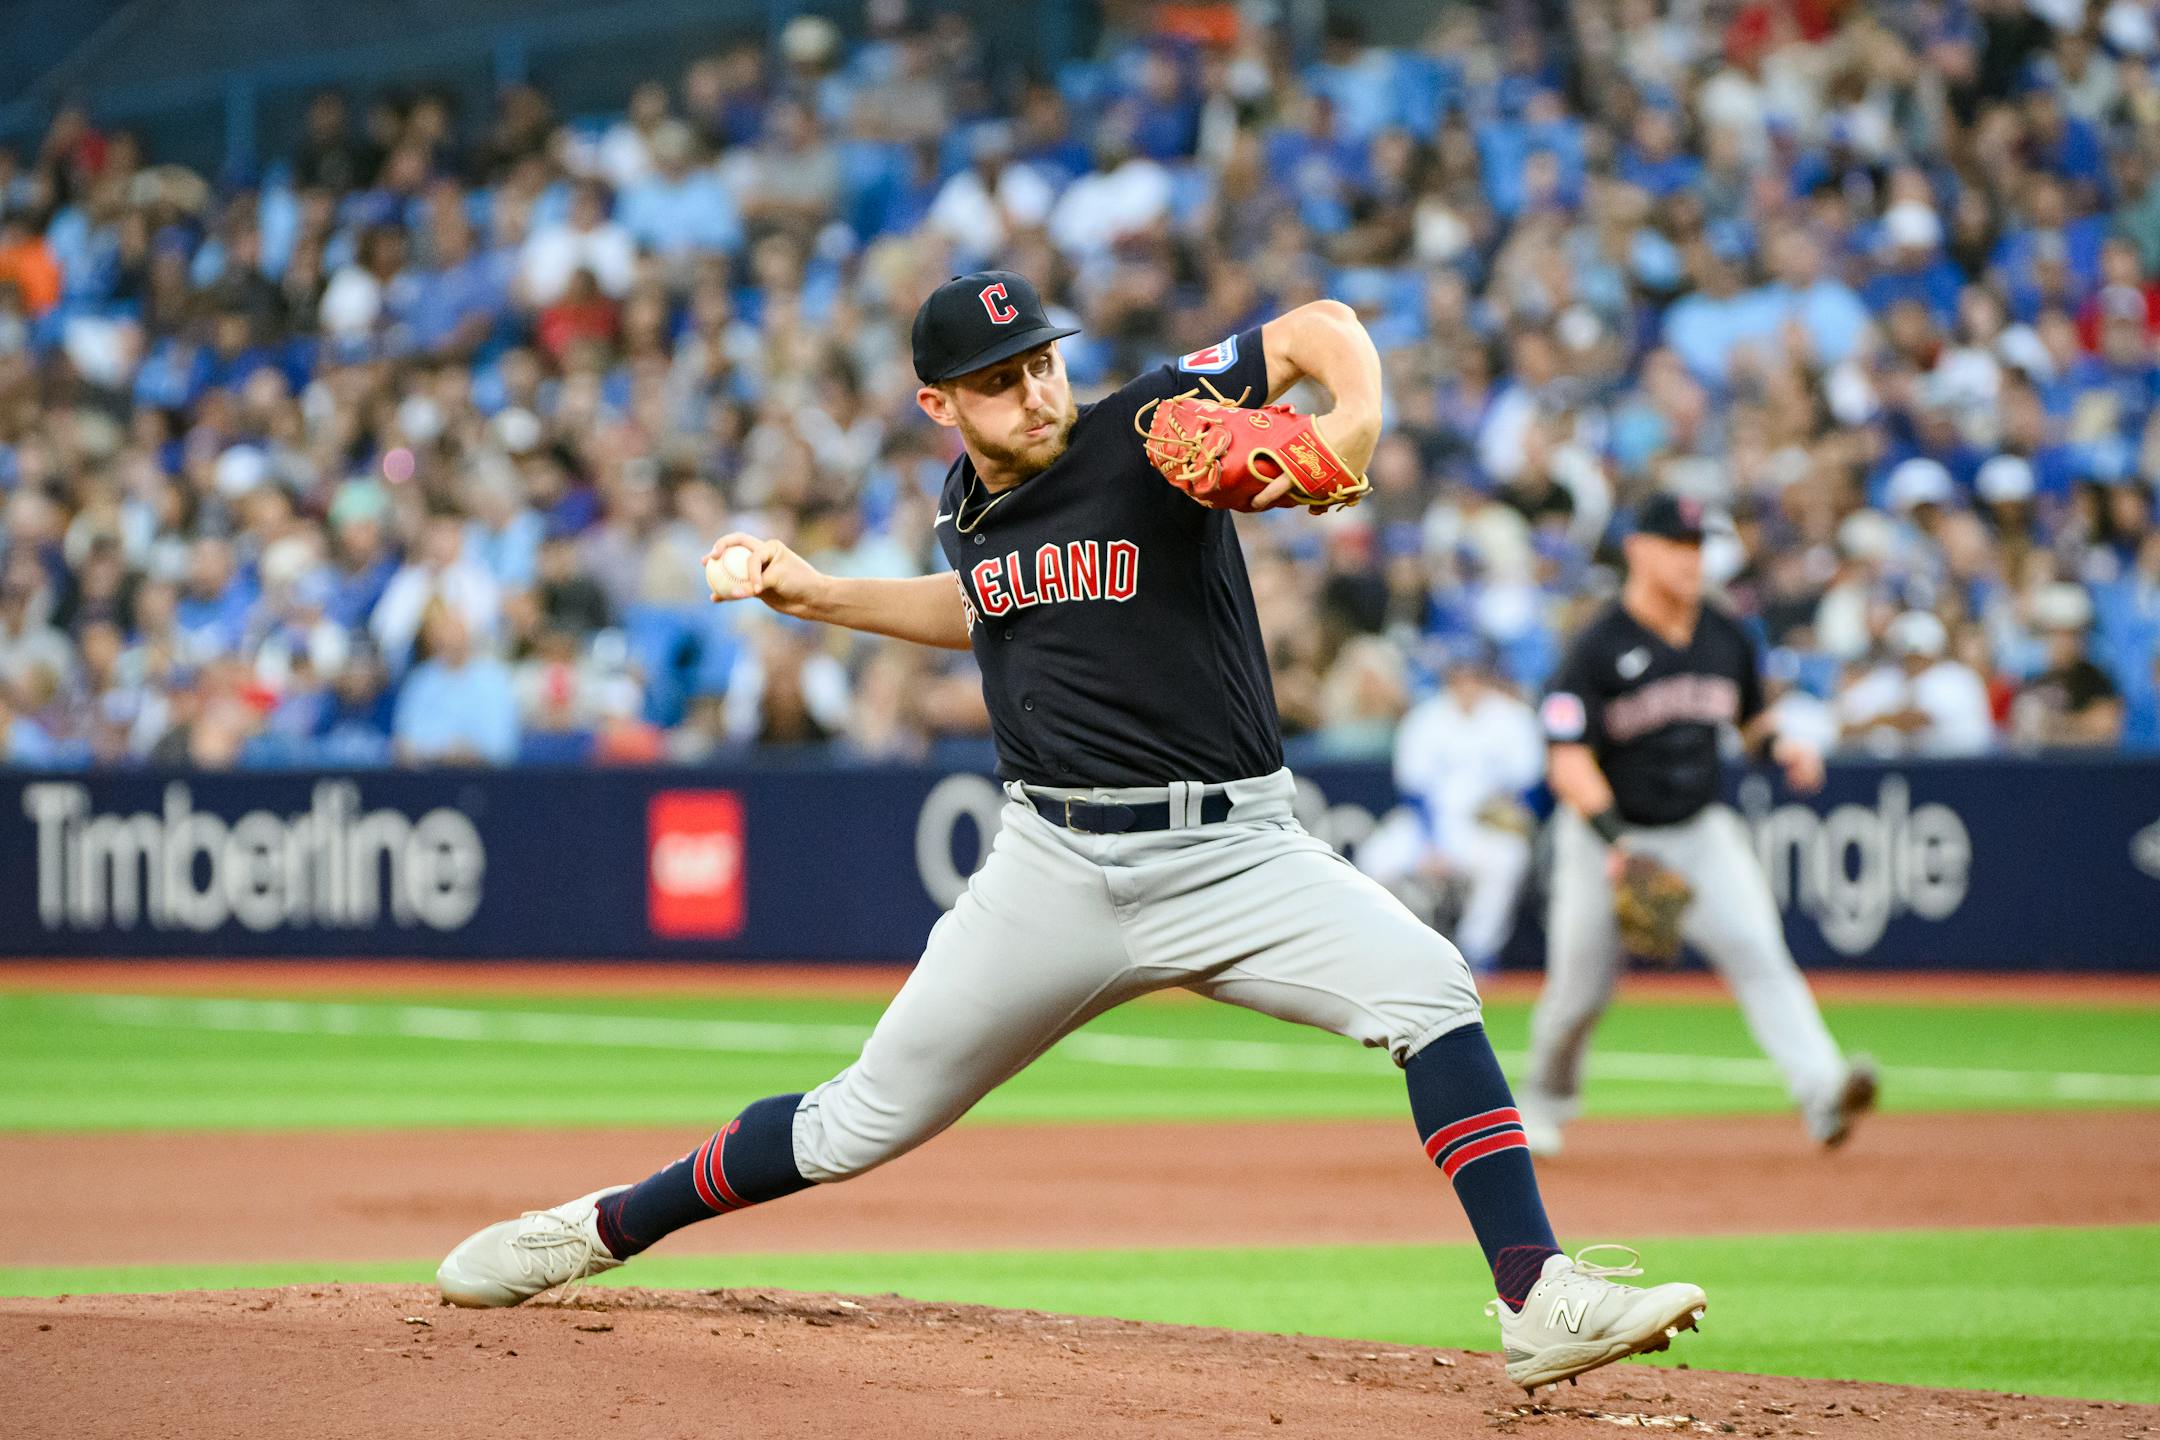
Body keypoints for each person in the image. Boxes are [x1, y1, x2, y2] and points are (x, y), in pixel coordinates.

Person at [437, 271, 1708, 1393]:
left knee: (1430, 986)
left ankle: (1534, 1295)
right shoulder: (968, 505)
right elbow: (992, 606)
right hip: (1051, 865)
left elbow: (1322, 325)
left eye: (1042, 362)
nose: (1036, 395)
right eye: (999, 382)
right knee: (849, 1126)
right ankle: (597, 1228)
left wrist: (1352, 421)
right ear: (940, 405)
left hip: (1233, 853)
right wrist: (814, 591)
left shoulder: (1147, 425)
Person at [1525, 494, 1878, 1157]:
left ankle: (1824, 1091)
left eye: (1698, 545)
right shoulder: (1597, 647)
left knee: (1758, 952)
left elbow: (1750, 721)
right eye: (1677, 545)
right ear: (1639, 550)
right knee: (1577, 993)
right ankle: (1542, 1104)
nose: (1692, 558)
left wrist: (1783, 748)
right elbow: (1566, 761)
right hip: (1605, 835)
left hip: (1699, 828)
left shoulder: (1725, 634)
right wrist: (1615, 842)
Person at [1357, 643, 1545, 972]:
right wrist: (1432, 844)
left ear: (1488, 678)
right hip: (1427, 823)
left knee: (1509, 858)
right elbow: (1415, 793)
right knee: (1374, 858)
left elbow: (1527, 791)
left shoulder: (1514, 718)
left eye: (1474, 676)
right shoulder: (1425, 717)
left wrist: (1513, 814)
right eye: (1459, 676)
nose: (1466, 684)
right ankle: (1390, 950)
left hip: (1482, 828)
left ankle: (1477, 952)